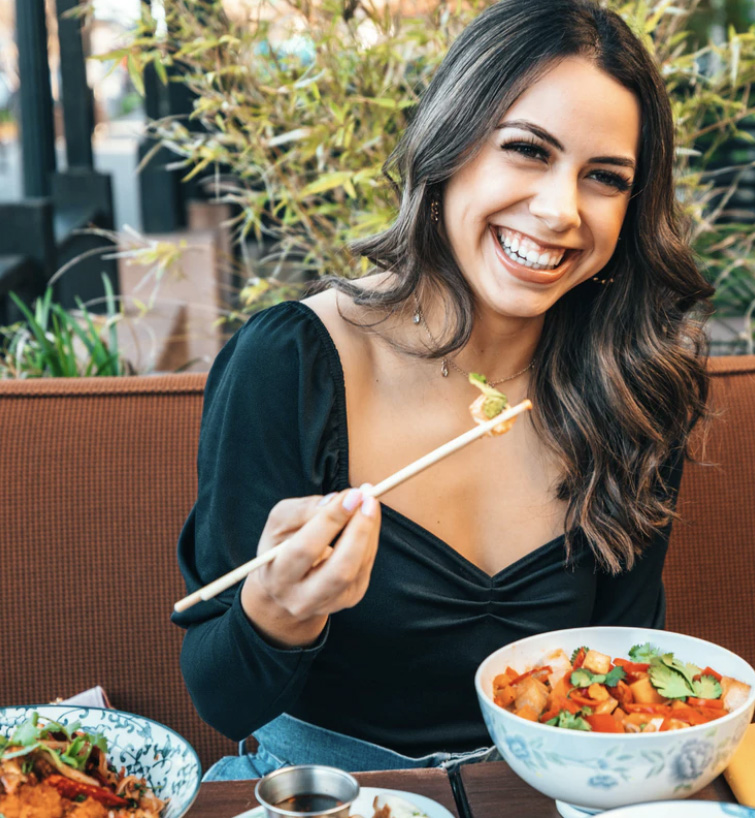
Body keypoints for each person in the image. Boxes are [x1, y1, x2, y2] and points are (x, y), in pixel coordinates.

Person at [172, 0, 714, 780]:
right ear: (449, 148)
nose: (561, 210)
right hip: (332, 797)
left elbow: (621, 680)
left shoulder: (633, 387)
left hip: (548, 794)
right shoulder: (291, 361)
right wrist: (278, 613)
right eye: (527, 150)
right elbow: (220, 700)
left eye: (604, 178)